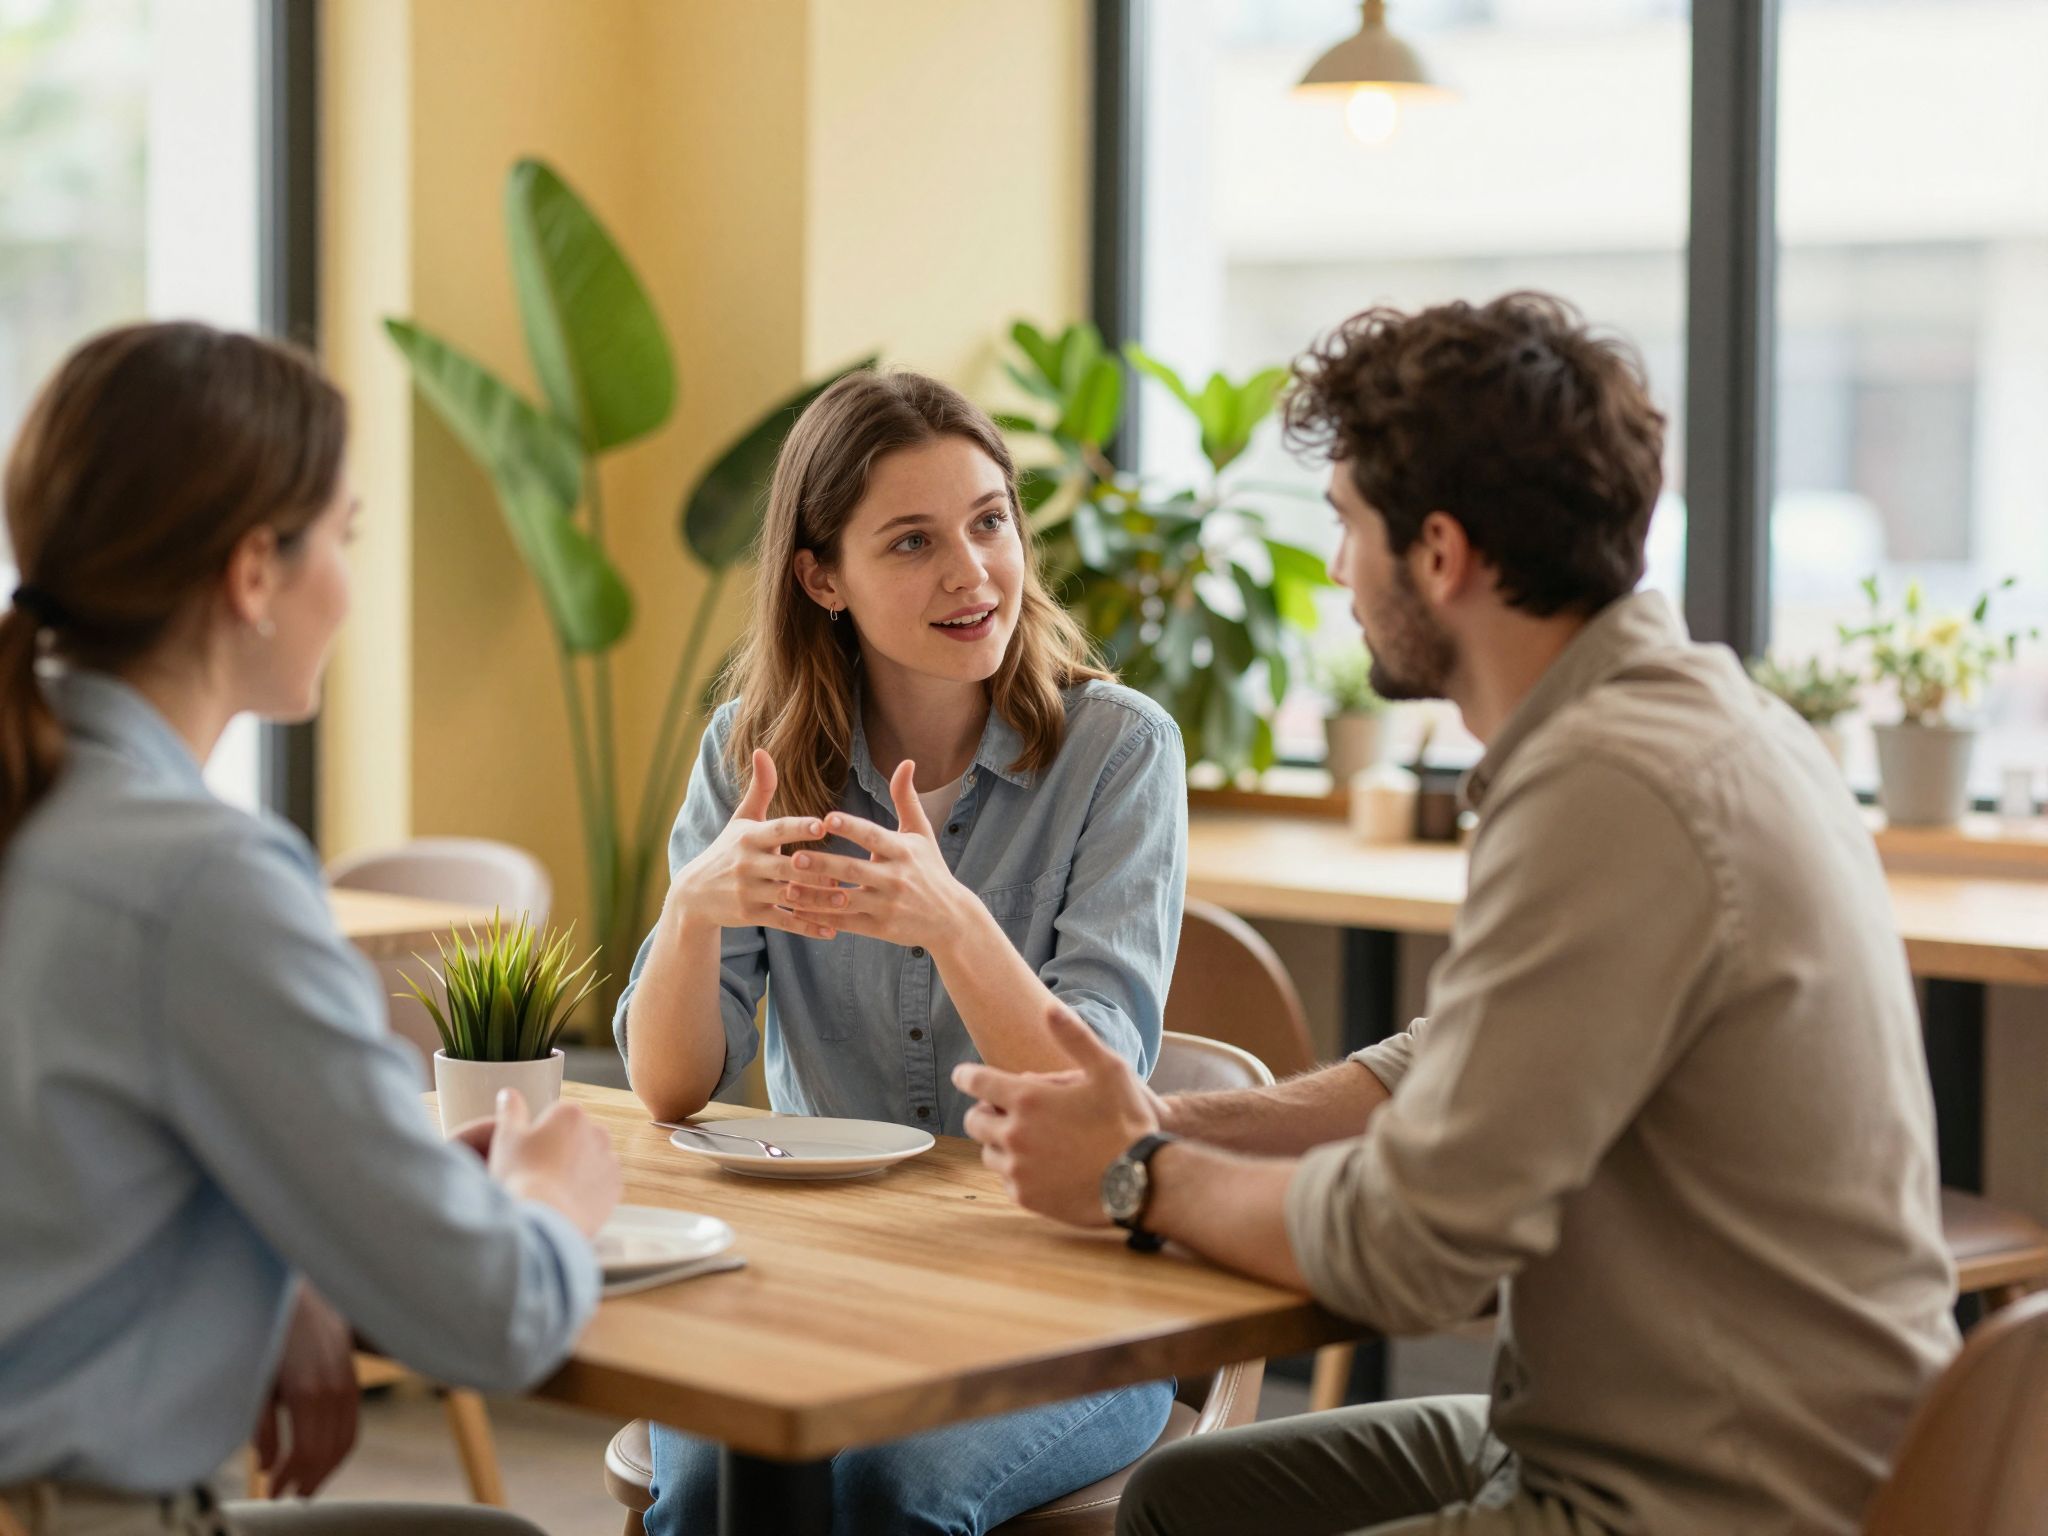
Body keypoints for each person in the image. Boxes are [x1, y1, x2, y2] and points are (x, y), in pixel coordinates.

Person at [956, 293, 1960, 1536]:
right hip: (1638, 1431)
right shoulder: (1696, 718)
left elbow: (1409, 1251)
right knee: (1181, 1500)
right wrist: (1164, 1115)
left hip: (1720, 1494)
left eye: (1345, 528)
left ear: (1438, 553)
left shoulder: (1612, 784)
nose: (1334, 571)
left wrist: (1134, 1176)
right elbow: (1449, 1065)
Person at [0, 322, 622, 1536]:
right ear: (251, 576)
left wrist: (271, 1263)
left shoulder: (45, 809)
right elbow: (491, 1316)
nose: (348, 582)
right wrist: (551, 1199)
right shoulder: (204, 881)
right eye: (343, 538)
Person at [617, 368, 1183, 1534]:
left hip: (1067, 1296)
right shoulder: (751, 751)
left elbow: (1095, 1092)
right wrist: (692, 911)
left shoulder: (1119, 754)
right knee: (719, 1489)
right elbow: (672, 1088)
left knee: (890, 1490)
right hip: (819, 1280)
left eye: (989, 521)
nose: (971, 572)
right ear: (821, 577)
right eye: (912, 541)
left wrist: (950, 919)